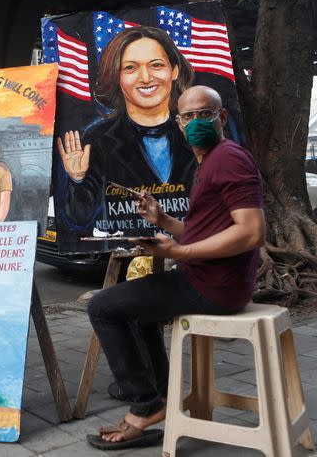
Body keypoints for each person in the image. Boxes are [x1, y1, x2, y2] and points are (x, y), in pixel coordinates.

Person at [85, 85, 265, 450]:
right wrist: (162, 220)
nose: (195, 122)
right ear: (178, 123)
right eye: (187, 116)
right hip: (206, 276)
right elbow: (201, 232)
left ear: (222, 118)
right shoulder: (208, 162)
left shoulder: (228, 157)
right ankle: (161, 401)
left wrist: (180, 254)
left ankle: (146, 406)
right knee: (137, 310)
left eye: (205, 114)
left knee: (102, 307)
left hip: (214, 285)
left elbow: (251, 233)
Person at [56, 26, 196, 234]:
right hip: (130, 252)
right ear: (117, 77)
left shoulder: (198, 129)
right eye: (130, 68)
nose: (146, 78)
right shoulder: (97, 139)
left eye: (156, 65)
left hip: (198, 247)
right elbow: (79, 216)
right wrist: (77, 179)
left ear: (174, 70)